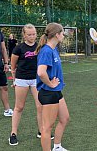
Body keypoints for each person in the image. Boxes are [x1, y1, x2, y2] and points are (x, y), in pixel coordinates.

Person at [9, 24, 47, 146]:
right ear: (24, 35)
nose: (32, 36)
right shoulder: (18, 48)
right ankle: (13, 133)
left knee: (40, 106)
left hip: (36, 80)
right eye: (29, 34)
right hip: (22, 80)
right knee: (19, 107)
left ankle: (41, 131)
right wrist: (14, 80)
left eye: (34, 34)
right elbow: (13, 66)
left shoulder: (40, 47)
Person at [36, 23, 70, 151]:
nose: (63, 35)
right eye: (62, 33)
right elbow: (41, 72)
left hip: (56, 91)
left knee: (64, 118)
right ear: (57, 34)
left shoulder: (53, 49)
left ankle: (57, 146)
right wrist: (50, 84)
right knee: (47, 127)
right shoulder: (46, 51)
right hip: (48, 92)